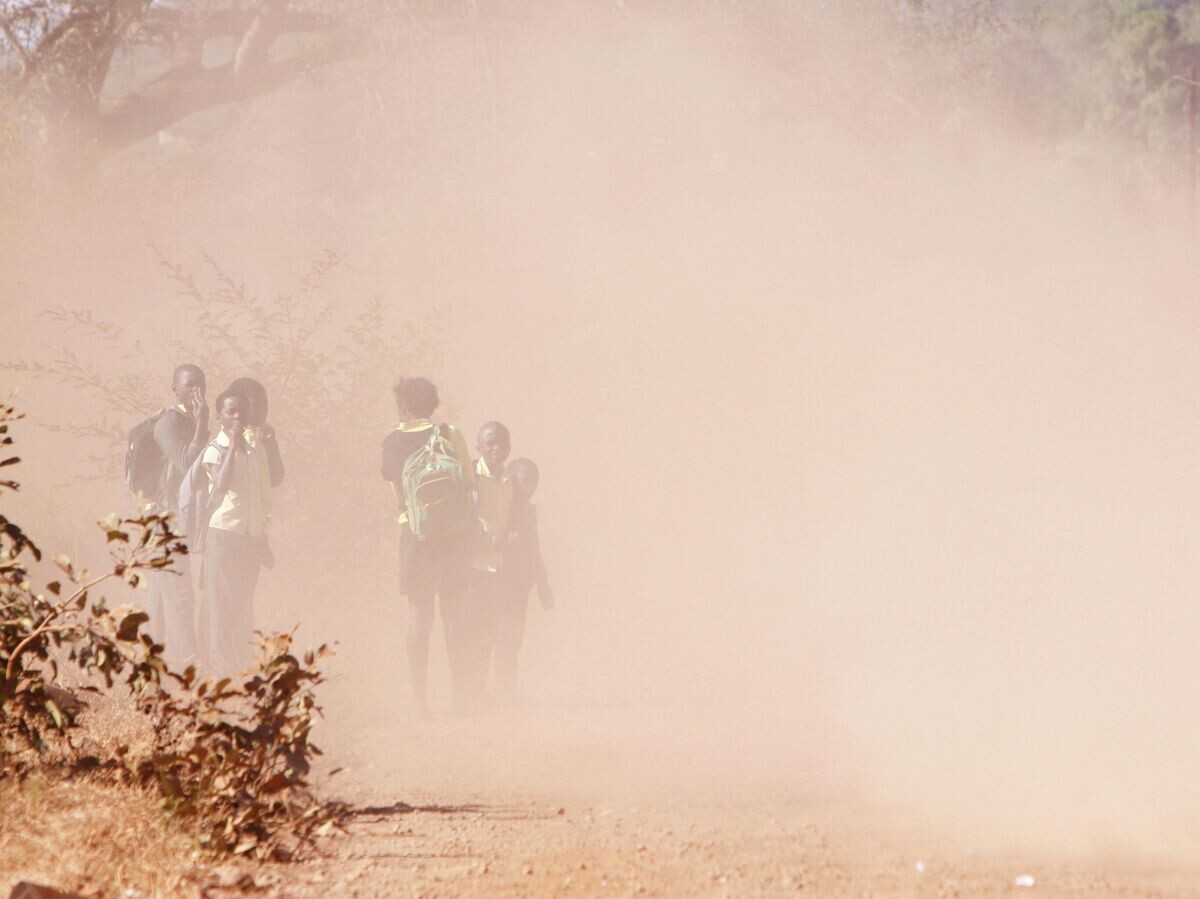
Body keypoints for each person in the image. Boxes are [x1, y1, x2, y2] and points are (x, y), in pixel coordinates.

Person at [380, 376, 473, 719]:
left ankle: (420, 702)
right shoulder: (450, 434)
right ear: (433, 406)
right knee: (454, 617)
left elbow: (395, 485)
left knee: (420, 617)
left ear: (403, 405)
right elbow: (468, 480)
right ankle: (461, 698)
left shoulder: (392, 441)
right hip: (454, 537)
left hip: (416, 538)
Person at [201, 389, 271, 676]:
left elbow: (260, 497)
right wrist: (231, 446)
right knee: (222, 605)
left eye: (242, 411)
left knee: (243, 604)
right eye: (231, 411)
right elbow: (221, 485)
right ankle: (220, 673)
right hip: (224, 536)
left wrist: (262, 539)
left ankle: (243, 667)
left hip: (250, 538)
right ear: (219, 416)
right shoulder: (215, 450)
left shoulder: (254, 451)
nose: (238, 416)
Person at [145, 363, 208, 667]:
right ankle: (190, 666)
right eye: (190, 385)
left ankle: (149, 669)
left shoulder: (190, 421)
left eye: (201, 384)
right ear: (175, 389)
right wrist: (203, 422)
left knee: (160, 598)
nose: (197, 391)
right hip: (165, 522)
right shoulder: (170, 424)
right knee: (179, 594)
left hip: (174, 520)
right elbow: (187, 463)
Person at [495, 457, 555, 704]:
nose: (527, 485)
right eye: (520, 480)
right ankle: (484, 691)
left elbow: (534, 550)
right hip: (496, 583)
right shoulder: (498, 509)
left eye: (531, 481)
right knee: (496, 637)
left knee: (511, 639)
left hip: (520, 586)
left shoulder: (529, 513)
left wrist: (543, 584)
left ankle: (506, 691)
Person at [469, 421, 519, 707]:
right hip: (474, 567)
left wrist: (511, 534)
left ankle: (483, 691)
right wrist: (488, 541)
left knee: (492, 630)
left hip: (499, 566)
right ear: (479, 447)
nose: (496, 447)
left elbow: (513, 518)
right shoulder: (470, 478)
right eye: (490, 443)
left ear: (510, 448)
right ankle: (470, 691)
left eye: (501, 442)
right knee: (473, 630)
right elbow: (463, 521)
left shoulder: (511, 482)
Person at [227, 377, 285, 488]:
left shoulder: (261, 437)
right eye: (257, 405)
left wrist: (270, 444)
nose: (264, 410)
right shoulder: (227, 441)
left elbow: (275, 479)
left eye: (265, 404)